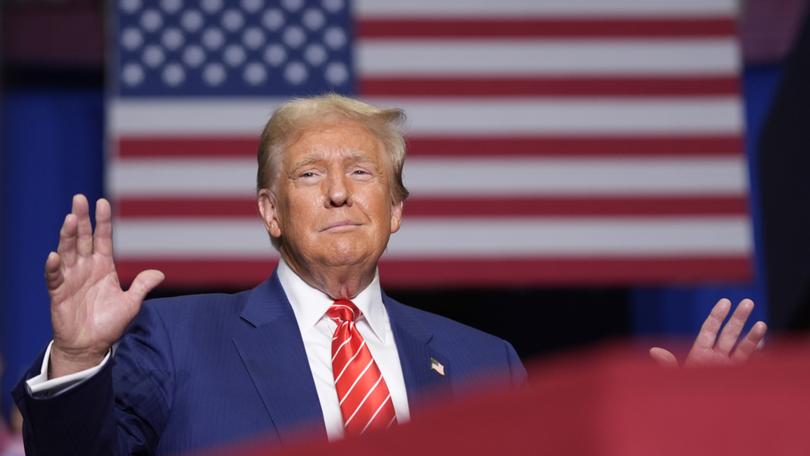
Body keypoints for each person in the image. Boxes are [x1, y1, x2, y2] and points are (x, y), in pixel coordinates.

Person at [12, 95, 767, 455]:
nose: (340, 192)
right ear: (271, 212)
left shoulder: (485, 361)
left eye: (363, 172)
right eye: (311, 174)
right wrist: (78, 361)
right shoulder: (176, 339)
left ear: (396, 209)